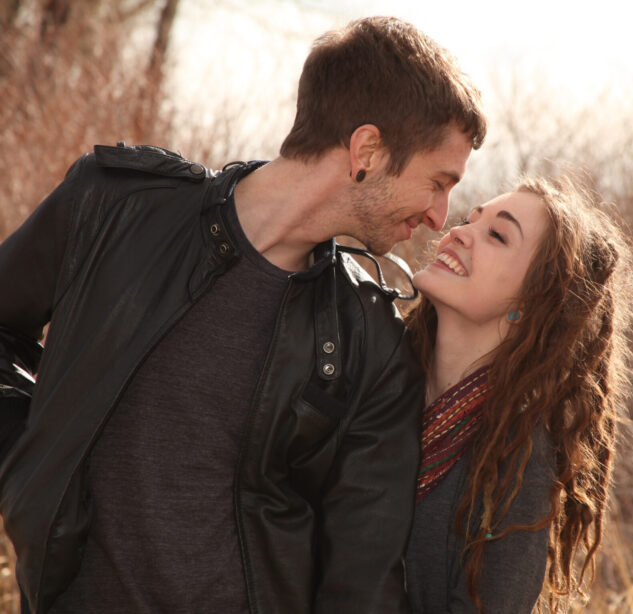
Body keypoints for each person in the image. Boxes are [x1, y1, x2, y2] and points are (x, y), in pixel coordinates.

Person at [0, 16, 486, 614]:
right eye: (437, 183)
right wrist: (35, 454)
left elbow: (362, 581)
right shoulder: (113, 206)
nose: (441, 216)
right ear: (367, 150)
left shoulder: (370, 340)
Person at [404, 177, 633, 613]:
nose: (457, 232)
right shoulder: (371, 381)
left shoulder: (517, 461)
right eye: (467, 219)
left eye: (496, 235)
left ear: (532, 303)